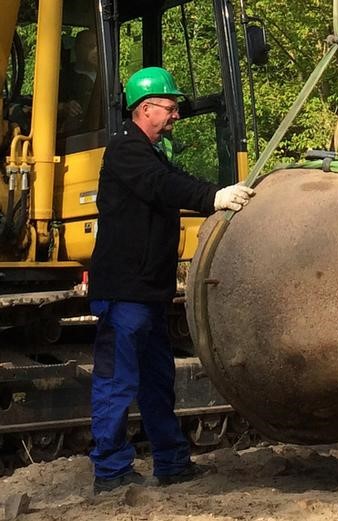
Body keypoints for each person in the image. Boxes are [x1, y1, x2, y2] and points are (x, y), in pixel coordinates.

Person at [88, 66, 255, 494]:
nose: (176, 115)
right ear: (145, 109)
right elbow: (162, 186)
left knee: (157, 382)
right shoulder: (125, 152)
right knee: (116, 383)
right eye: (170, 107)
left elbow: (175, 181)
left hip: (148, 293)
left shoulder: (152, 154)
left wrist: (218, 193)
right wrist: (211, 197)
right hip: (124, 294)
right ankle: (110, 471)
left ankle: (171, 462)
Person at [59, 29, 98, 132]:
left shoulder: (106, 74)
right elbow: (45, 108)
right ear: (77, 48)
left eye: (98, 46)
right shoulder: (64, 78)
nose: (96, 51)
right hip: (77, 135)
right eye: (91, 46)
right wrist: (64, 107)